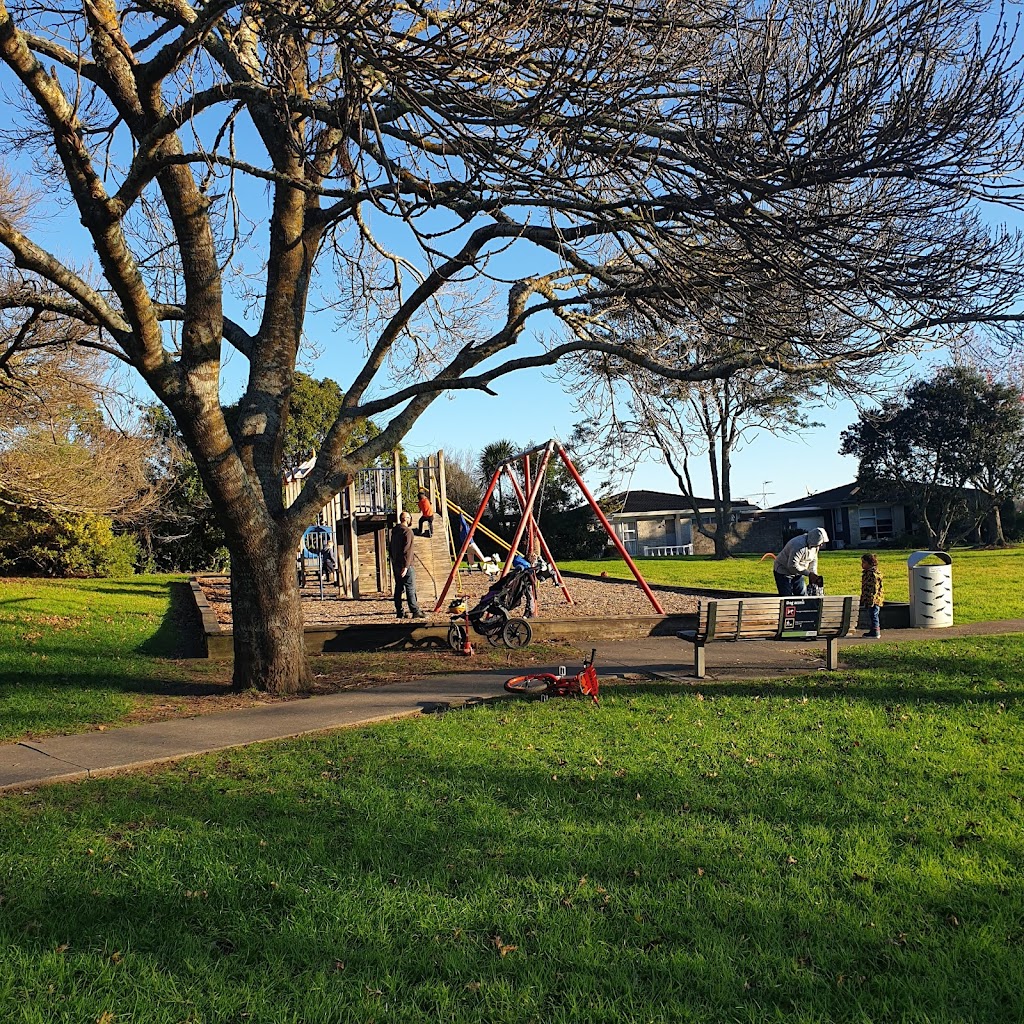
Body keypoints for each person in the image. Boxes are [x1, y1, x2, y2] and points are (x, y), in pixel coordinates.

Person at [773, 528, 829, 596]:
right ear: (814, 539)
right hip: (783, 571)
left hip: (798, 572)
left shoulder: (815, 546)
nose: (821, 545)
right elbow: (792, 566)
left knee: (802, 595)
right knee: (787, 597)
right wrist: (809, 574)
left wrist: (814, 574)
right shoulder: (797, 545)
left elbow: (813, 560)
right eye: (820, 542)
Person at [389, 510, 424, 619]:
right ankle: (415, 610)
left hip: (396, 563)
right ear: (407, 519)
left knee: (398, 587)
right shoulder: (408, 532)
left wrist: (394, 561)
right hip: (406, 564)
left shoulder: (394, 531)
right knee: (410, 588)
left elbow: (391, 547)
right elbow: (407, 550)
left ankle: (399, 611)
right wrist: (406, 566)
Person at [859, 552, 884, 638]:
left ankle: (875, 631)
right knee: (873, 614)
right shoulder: (871, 573)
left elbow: (873, 588)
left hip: (872, 599)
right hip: (875, 598)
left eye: (864, 562)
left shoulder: (871, 574)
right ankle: (874, 629)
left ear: (870, 563)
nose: (862, 564)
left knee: (873, 614)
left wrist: (870, 598)